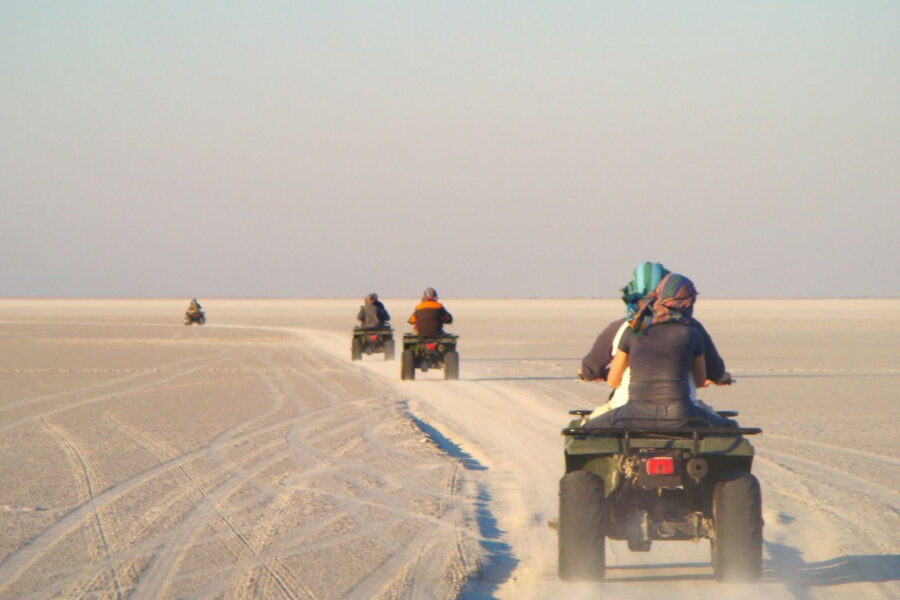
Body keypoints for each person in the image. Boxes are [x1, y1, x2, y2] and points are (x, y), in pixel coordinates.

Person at [579, 262, 732, 418]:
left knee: (588, 425)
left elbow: (598, 371)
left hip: (629, 408)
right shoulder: (693, 330)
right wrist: (719, 377)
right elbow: (710, 374)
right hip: (682, 411)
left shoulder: (629, 328)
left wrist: (591, 373)